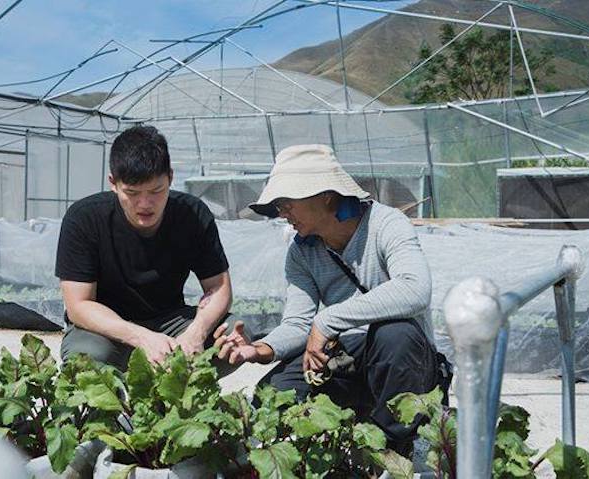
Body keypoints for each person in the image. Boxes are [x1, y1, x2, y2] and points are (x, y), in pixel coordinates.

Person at [215, 144, 440, 454]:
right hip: (345, 359)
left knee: (394, 334)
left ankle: (395, 452)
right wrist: (257, 349)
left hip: (403, 363)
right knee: (275, 391)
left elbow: (415, 288)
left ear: (326, 196)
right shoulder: (302, 252)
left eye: (286, 203)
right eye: (279, 205)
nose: (282, 214)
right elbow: (297, 323)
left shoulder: (386, 224)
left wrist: (329, 319)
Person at [56, 125, 232, 369]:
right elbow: (79, 306)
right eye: (132, 192)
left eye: (156, 190)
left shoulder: (192, 214)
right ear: (113, 183)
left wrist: (196, 333)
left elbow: (219, 287)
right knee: (85, 359)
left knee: (231, 335)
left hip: (170, 319)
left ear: (170, 177)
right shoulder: (84, 218)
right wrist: (142, 338)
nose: (145, 203)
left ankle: (168, 403)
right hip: (106, 327)